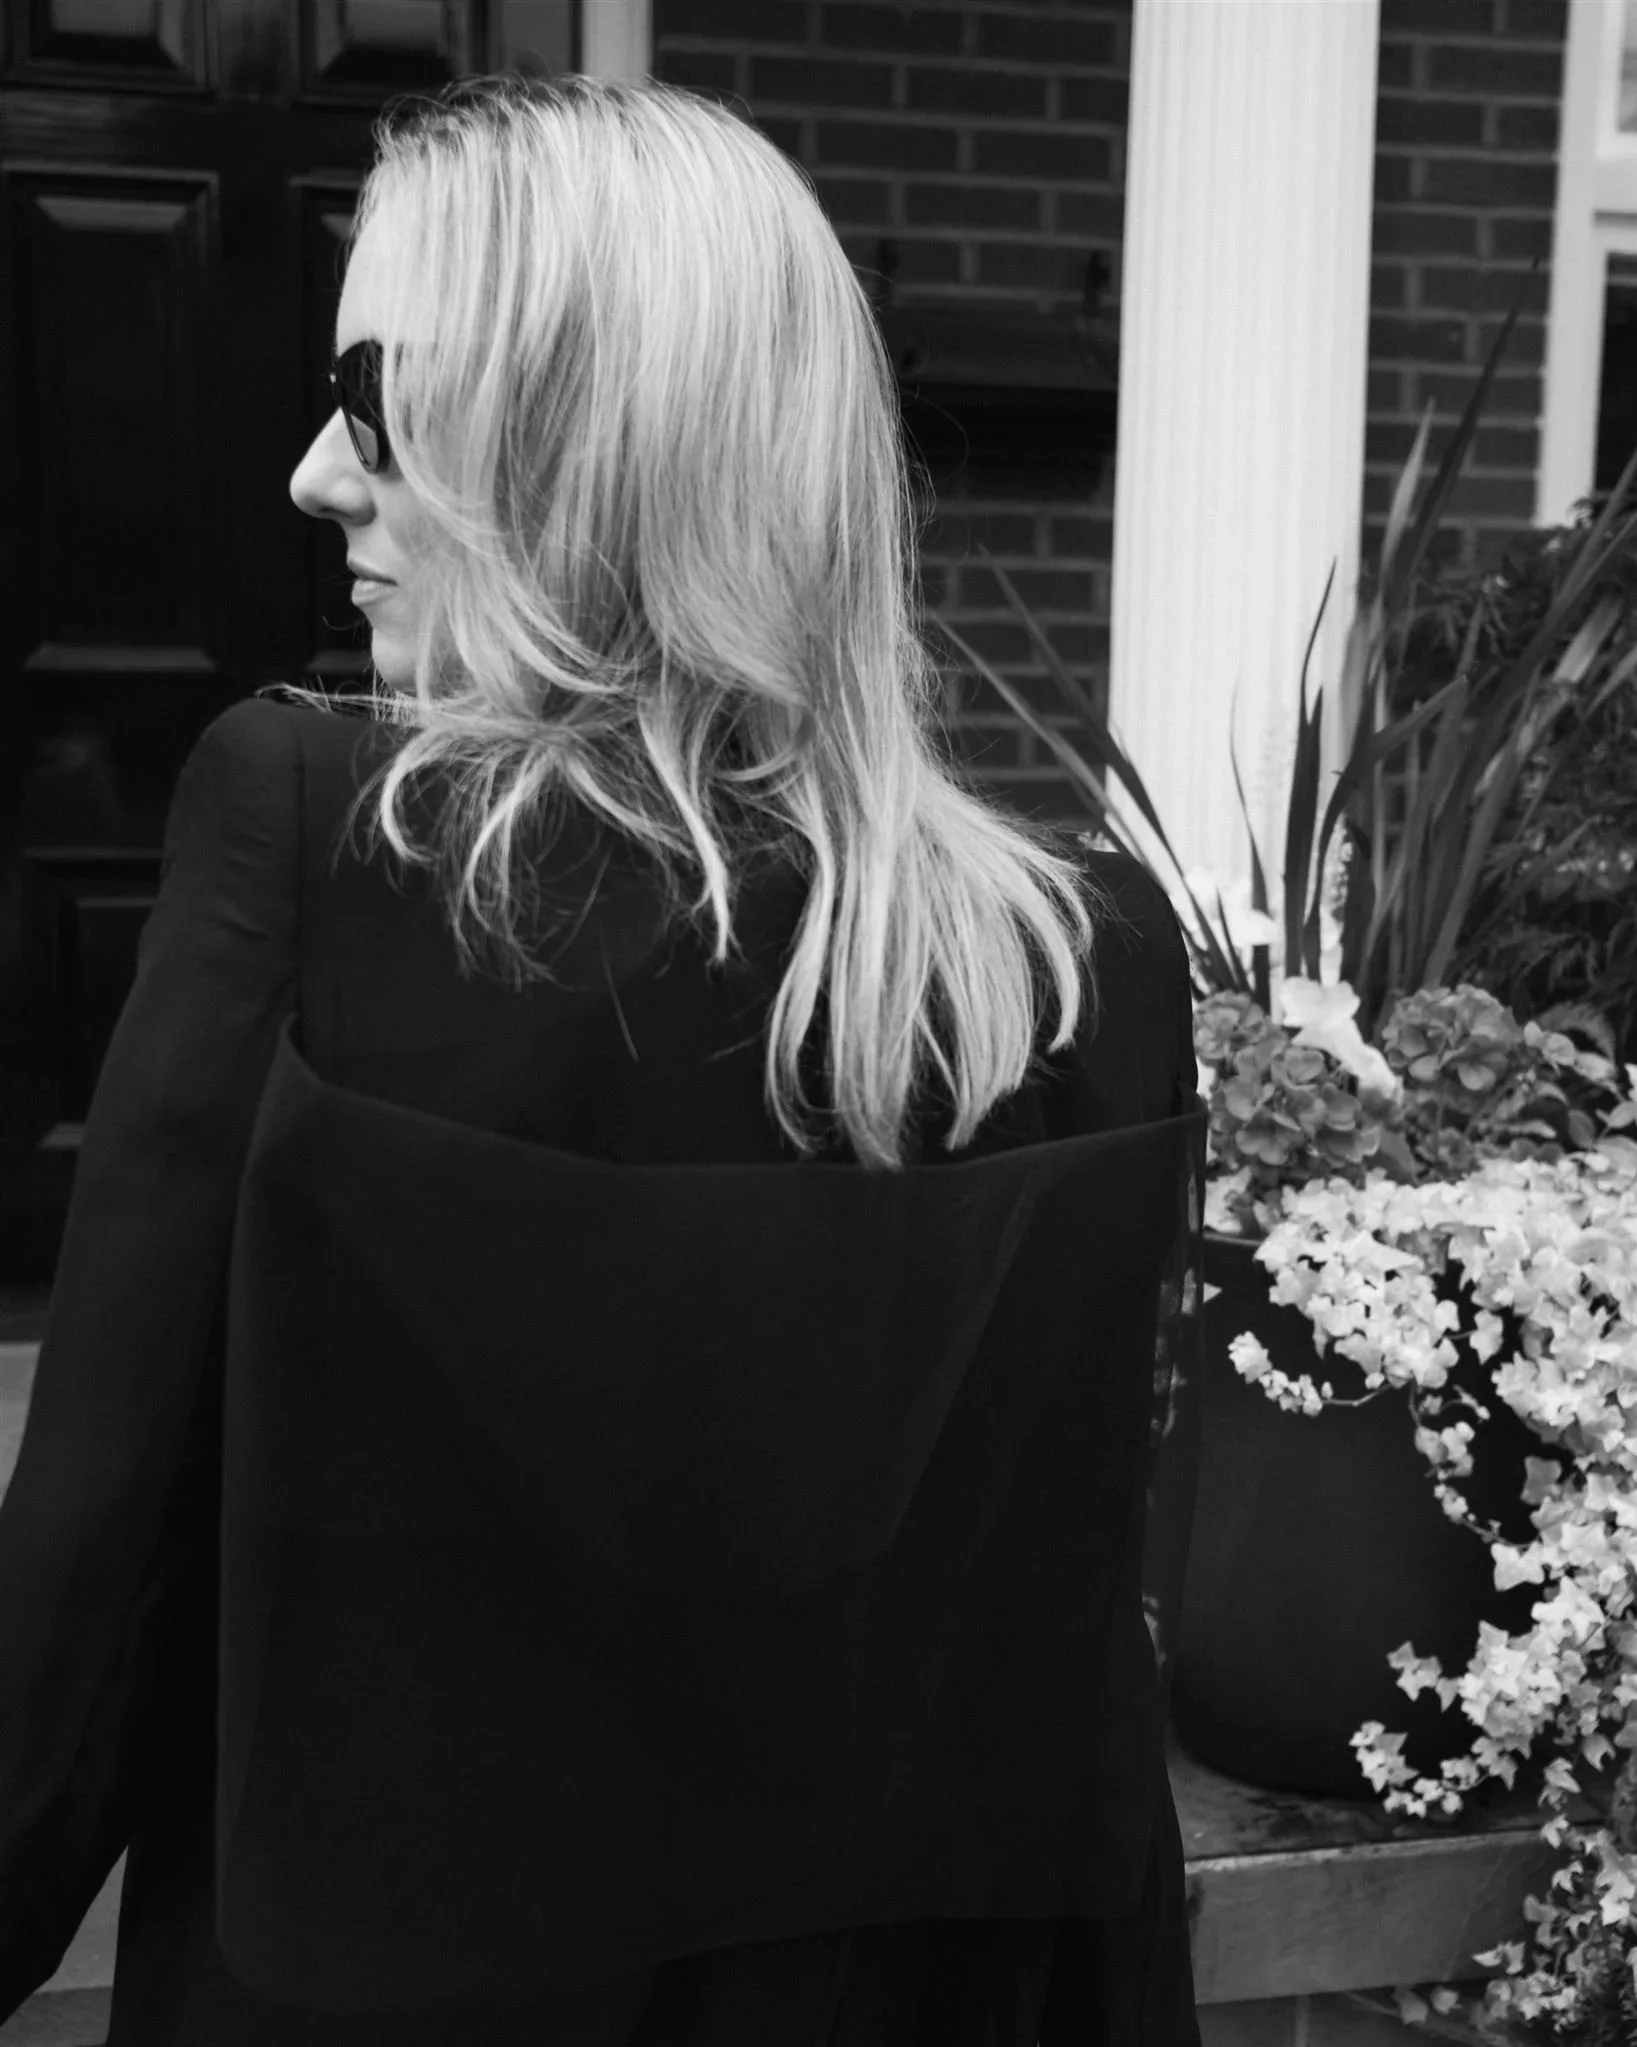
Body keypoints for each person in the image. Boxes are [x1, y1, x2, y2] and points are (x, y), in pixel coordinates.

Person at [0, 72, 1206, 2047]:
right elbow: (1079, 1715)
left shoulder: (315, 842)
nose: (312, 476)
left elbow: (88, 1607)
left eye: (375, 402)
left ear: (579, 435)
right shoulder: (1080, 963)